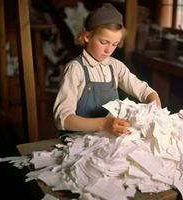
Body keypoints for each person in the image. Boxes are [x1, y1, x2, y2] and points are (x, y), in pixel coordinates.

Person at [53, 3, 161, 137]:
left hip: (106, 139)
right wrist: (104, 124)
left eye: (115, 44)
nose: (109, 50)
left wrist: (154, 106)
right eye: (103, 42)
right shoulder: (75, 69)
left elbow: (144, 91)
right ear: (87, 37)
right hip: (79, 140)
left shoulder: (115, 66)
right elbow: (63, 119)